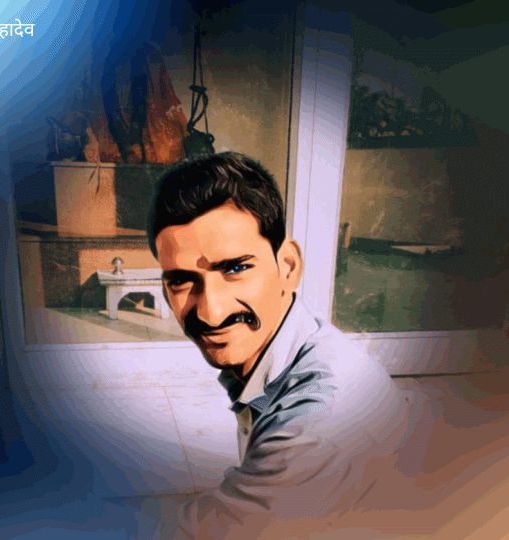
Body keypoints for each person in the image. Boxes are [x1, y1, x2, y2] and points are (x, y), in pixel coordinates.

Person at [143, 152, 410, 540]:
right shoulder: (295, 348)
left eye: (235, 268)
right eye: (182, 281)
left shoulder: (313, 427)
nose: (211, 312)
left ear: (288, 266)